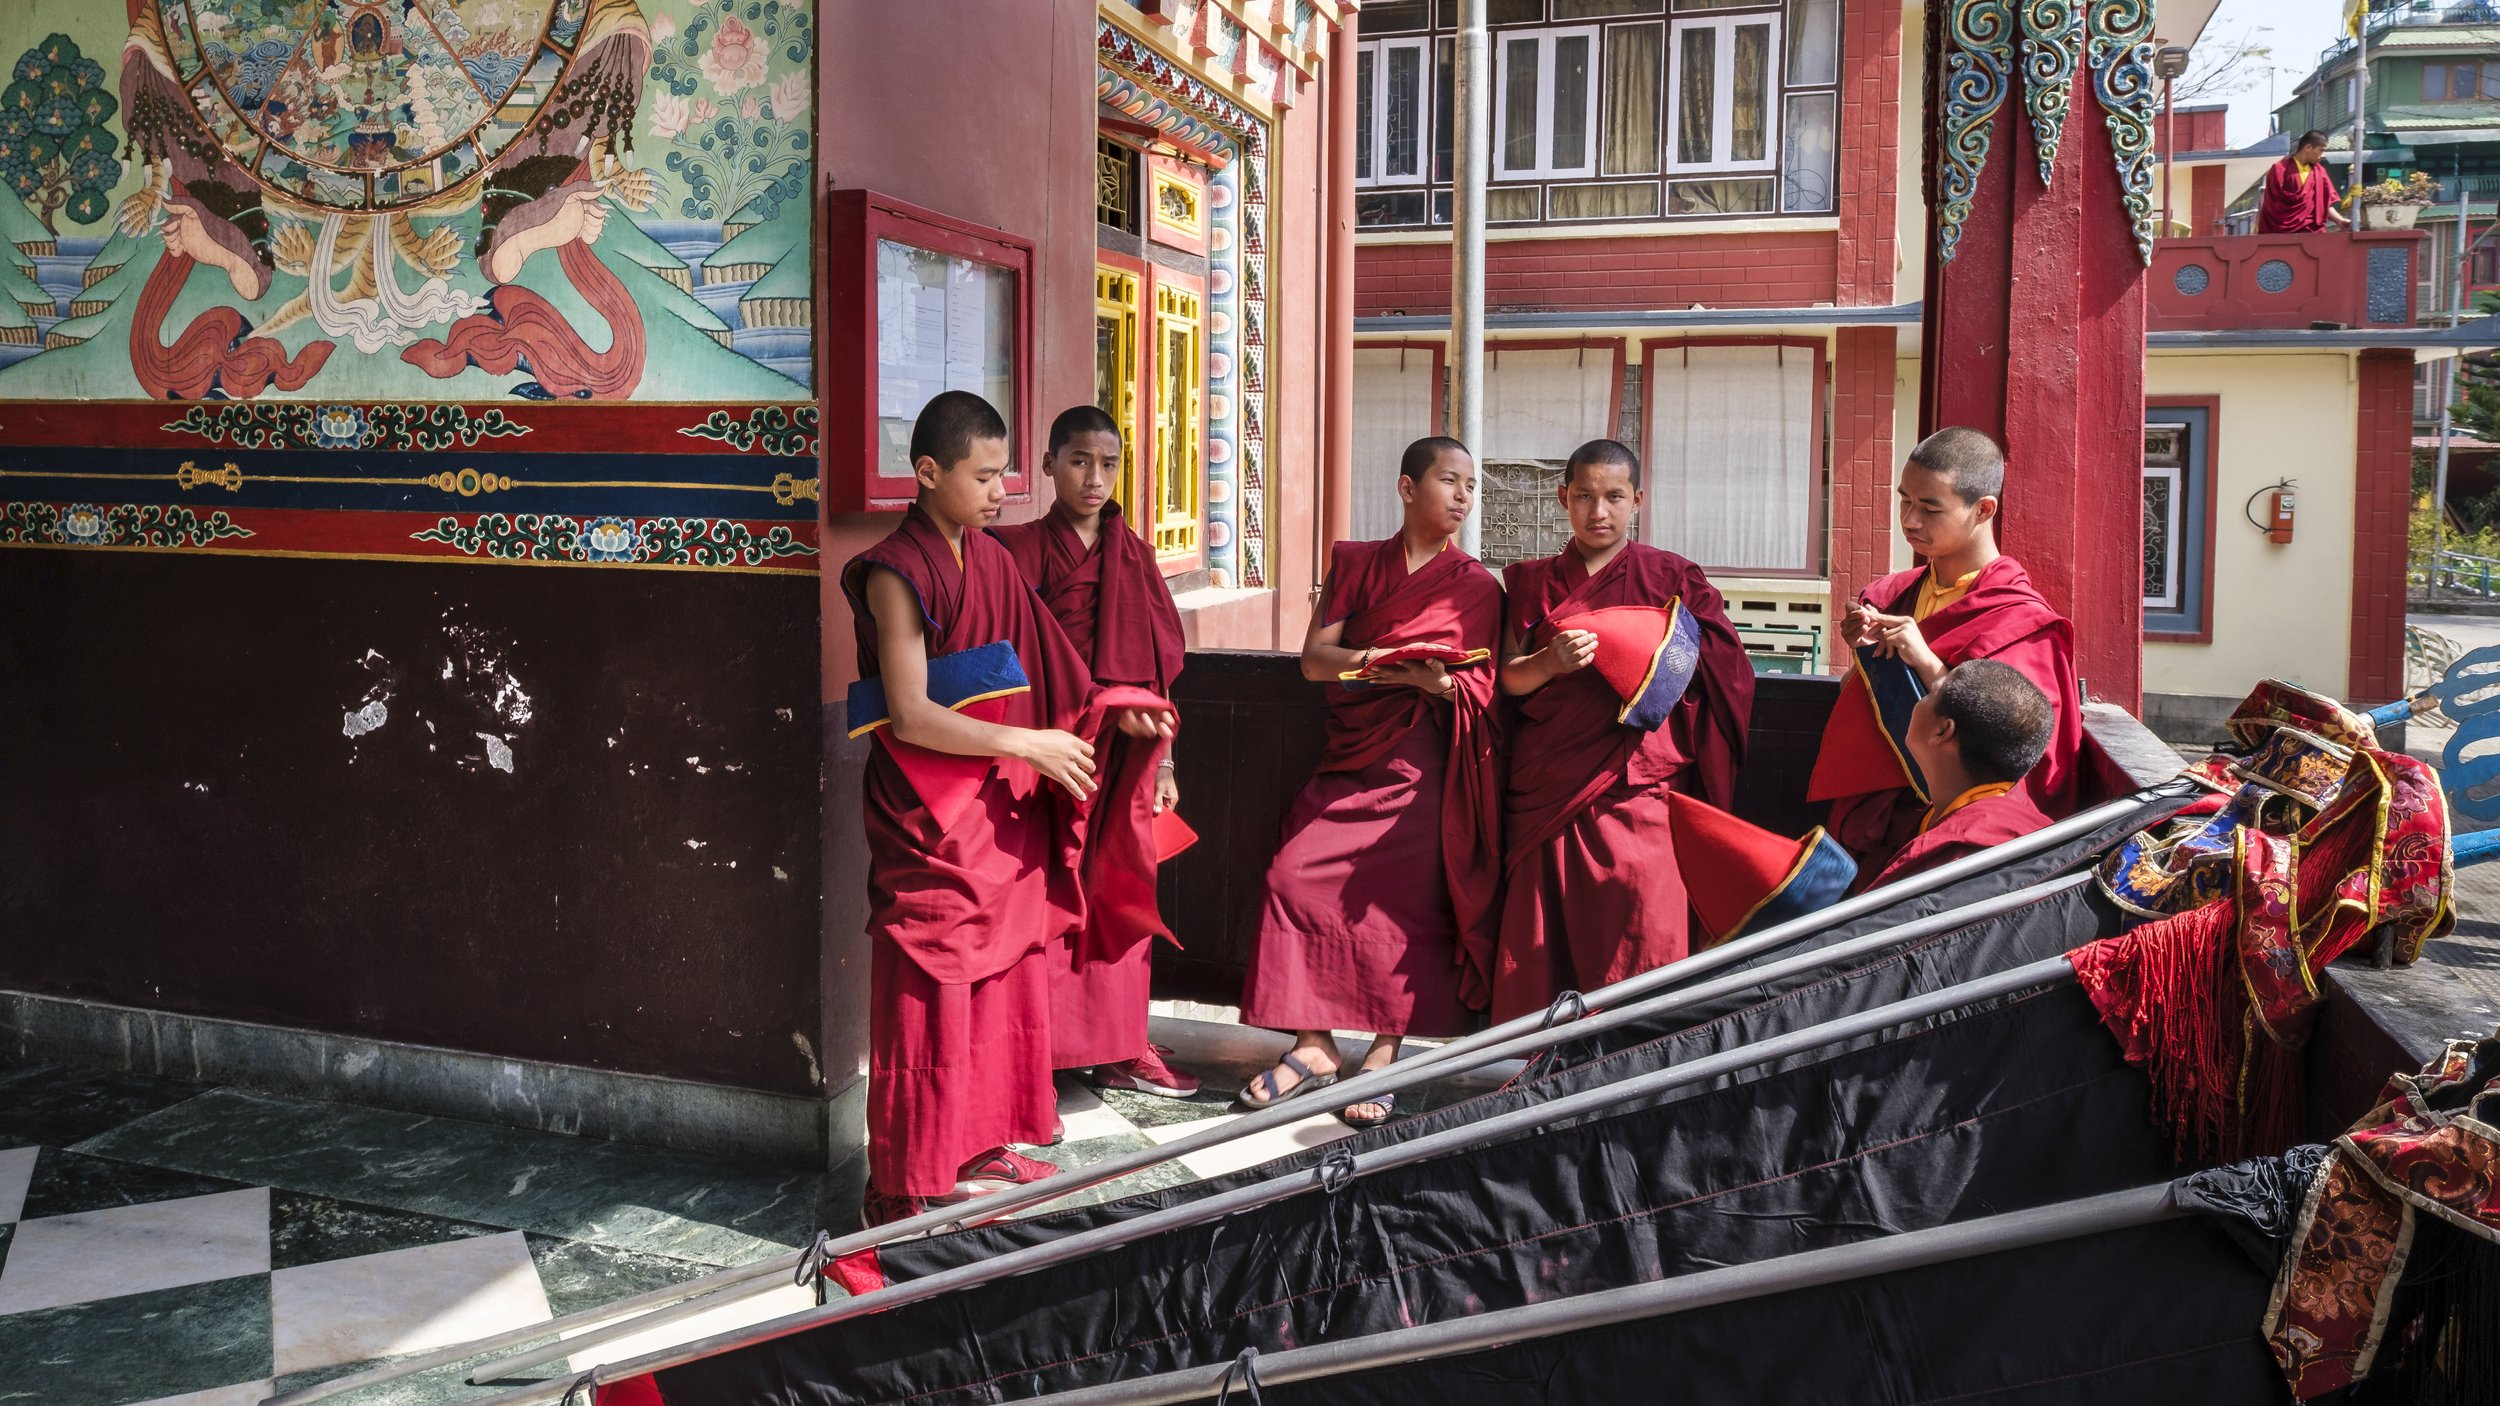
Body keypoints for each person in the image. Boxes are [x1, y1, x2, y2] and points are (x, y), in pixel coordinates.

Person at [844, 391, 1171, 1223]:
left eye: (1005, 475)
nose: (1001, 493)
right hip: (928, 810)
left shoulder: (989, 561)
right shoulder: (895, 572)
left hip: (993, 804)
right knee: (934, 986)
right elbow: (911, 712)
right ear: (928, 473)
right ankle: (906, 1181)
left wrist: (1116, 709)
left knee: (1003, 976)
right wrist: (1030, 747)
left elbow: (1058, 670)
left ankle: (980, 1141)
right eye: (985, 476)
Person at [1237, 437, 1505, 1126]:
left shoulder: (1476, 586)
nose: (1463, 497)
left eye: (1470, 486)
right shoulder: (1355, 562)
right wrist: (1377, 658)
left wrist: (1439, 684)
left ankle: (1386, 1054)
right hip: (1352, 762)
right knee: (1290, 878)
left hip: (1421, 772)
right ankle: (1315, 1042)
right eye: (1449, 481)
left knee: (1402, 910)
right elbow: (1314, 660)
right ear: (1407, 486)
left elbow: (1485, 688)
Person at [1491, 439, 1753, 1024]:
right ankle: (1535, 1068)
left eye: (1613, 497)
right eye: (1583, 496)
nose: (1598, 512)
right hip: (1549, 784)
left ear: (1638, 500)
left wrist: (1650, 668)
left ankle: (1635, 1065)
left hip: (1639, 784)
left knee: (1642, 922)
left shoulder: (1672, 576)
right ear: (1563, 498)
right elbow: (1507, 678)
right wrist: (1550, 664)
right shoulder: (1529, 582)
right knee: (1542, 934)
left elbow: (1724, 668)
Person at [991, 406, 1200, 1101]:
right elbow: (1002, 652)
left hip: (1122, 758)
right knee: (1043, 897)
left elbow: (1160, 665)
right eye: (1079, 460)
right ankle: (1039, 1049)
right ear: (1048, 464)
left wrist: (1165, 764)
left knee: (1117, 890)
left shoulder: (1134, 554)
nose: (1094, 477)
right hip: (1042, 754)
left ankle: (1117, 1045)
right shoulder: (1016, 549)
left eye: (1109, 464)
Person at [1807, 426, 2083, 876]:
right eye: (1905, 501)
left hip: (1954, 838)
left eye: (1931, 508)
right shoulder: (1890, 595)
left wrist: (1929, 663)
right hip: (1875, 820)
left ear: (1983, 509)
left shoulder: (2023, 625)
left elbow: (2021, 752)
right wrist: (1864, 659)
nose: (1911, 520)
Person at [1867, 660, 2058, 888]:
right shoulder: (2006, 809)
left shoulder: (1964, 860)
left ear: (1942, 731)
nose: (1921, 699)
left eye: (1930, 694)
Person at [2258, 130, 2349, 235]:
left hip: (2311, 232)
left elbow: (2324, 203)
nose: (2323, 155)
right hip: (2281, 232)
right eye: (2321, 150)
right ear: (2308, 148)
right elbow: (2271, 205)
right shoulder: (2280, 170)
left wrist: (2340, 220)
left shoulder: (2319, 172)